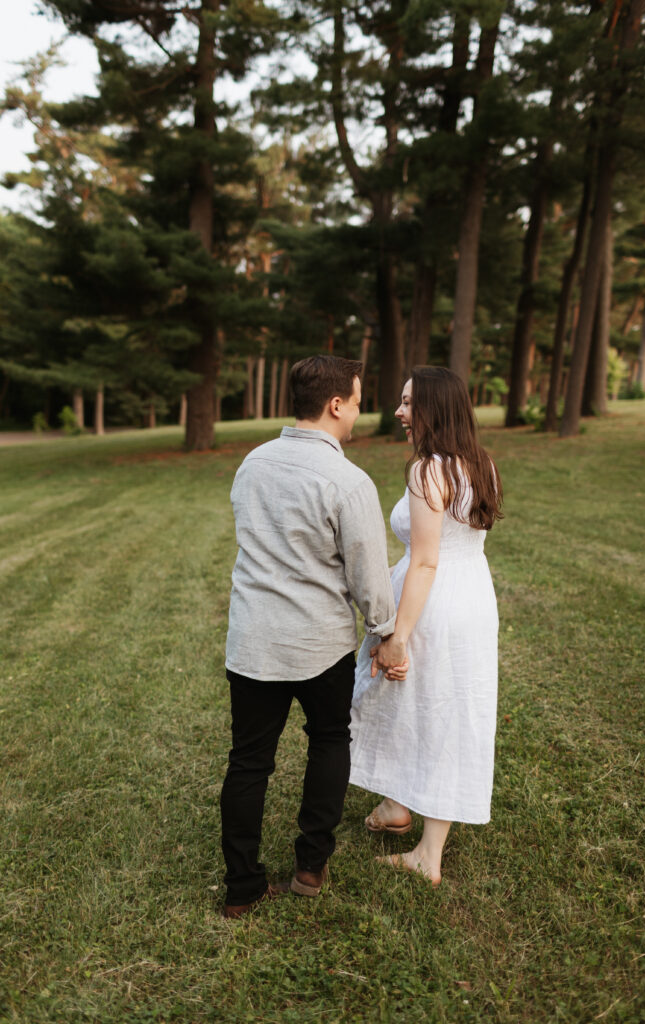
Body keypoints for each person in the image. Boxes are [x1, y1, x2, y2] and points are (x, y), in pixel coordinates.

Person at [220, 354, 405, 919]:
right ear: (335, 405)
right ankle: (310, 865)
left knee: (249, 760)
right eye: (356, 402)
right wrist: (385, 630)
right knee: (328, 740)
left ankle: (242, 887)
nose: (358, 413)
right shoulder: (347, 481)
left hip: (253, 639)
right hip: (319, 645)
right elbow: (368, 574)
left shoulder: (252, 462)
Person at [349, 366, 503, 887]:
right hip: (474, 600)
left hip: (432, 603)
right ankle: (398, 806)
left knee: (405, 696)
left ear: (435, 407)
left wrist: (398, 637)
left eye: (409, 402)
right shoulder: (482, 464)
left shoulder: (426, 471)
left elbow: (426, 561)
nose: (399, 411)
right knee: (445, 708)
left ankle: (425, 856)